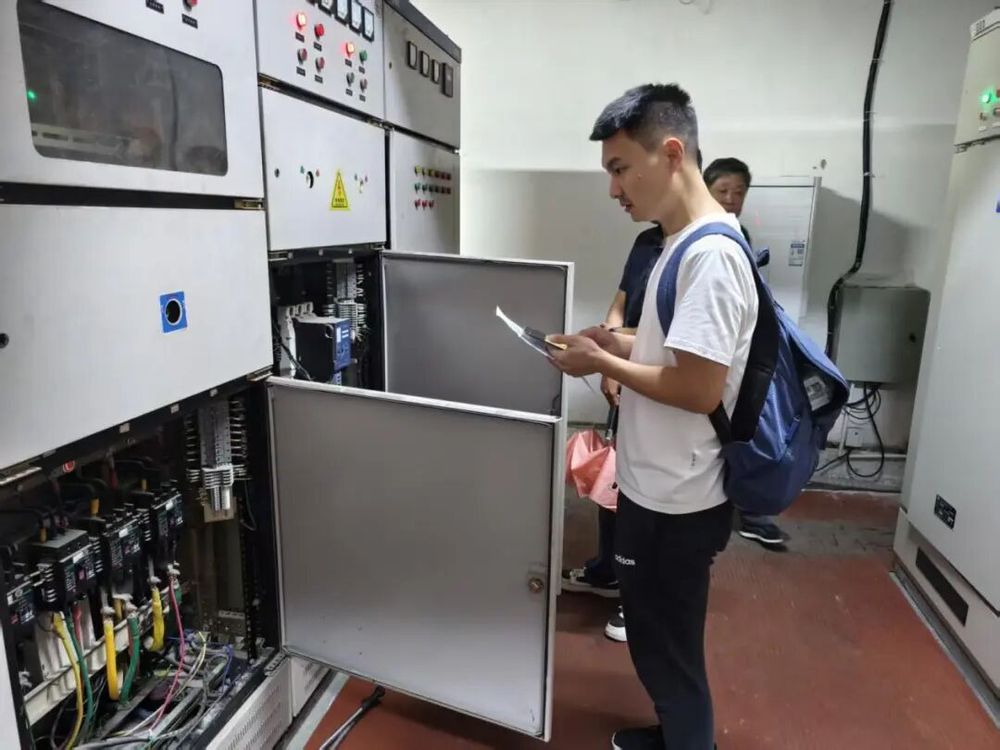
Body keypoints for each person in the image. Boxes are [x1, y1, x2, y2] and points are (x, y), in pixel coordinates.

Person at [549, 83, 756, 750]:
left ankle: (689, 742)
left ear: (670, 153)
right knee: (658, 636)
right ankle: (676, 736)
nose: (614, 189)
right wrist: (614, 343)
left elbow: (698, 387)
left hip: (678, 497)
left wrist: (599, 363)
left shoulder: (711, 257)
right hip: (659, 482)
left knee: (667, 646)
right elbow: (677, 348)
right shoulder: (681, 244)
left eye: (619, 169)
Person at [701, 157, 791, 549]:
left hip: (735, 352)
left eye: (739, 192)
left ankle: (749, 510)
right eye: (723, 191)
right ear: (705, 190)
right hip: (698, 354)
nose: (731, 199)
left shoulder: (740, 237)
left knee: (741, 431)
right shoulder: (686, 237)